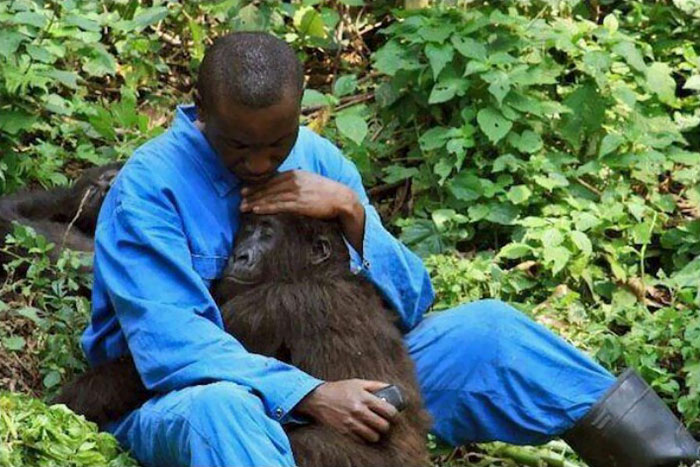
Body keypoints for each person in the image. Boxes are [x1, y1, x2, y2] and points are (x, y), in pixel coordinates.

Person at [81, 32, 699, 467]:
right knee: (223, 411)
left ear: (300, 113)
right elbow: (172, 353)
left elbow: (411, 305)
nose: (262, 161)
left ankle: (670, 460)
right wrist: (313, 396)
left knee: (490, 331)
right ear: (200, 112)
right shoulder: (150, 188)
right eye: (237, 146)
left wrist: (353, 216)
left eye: (278, 142)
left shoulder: (318, 159)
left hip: (333, 377)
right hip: (186, 400)